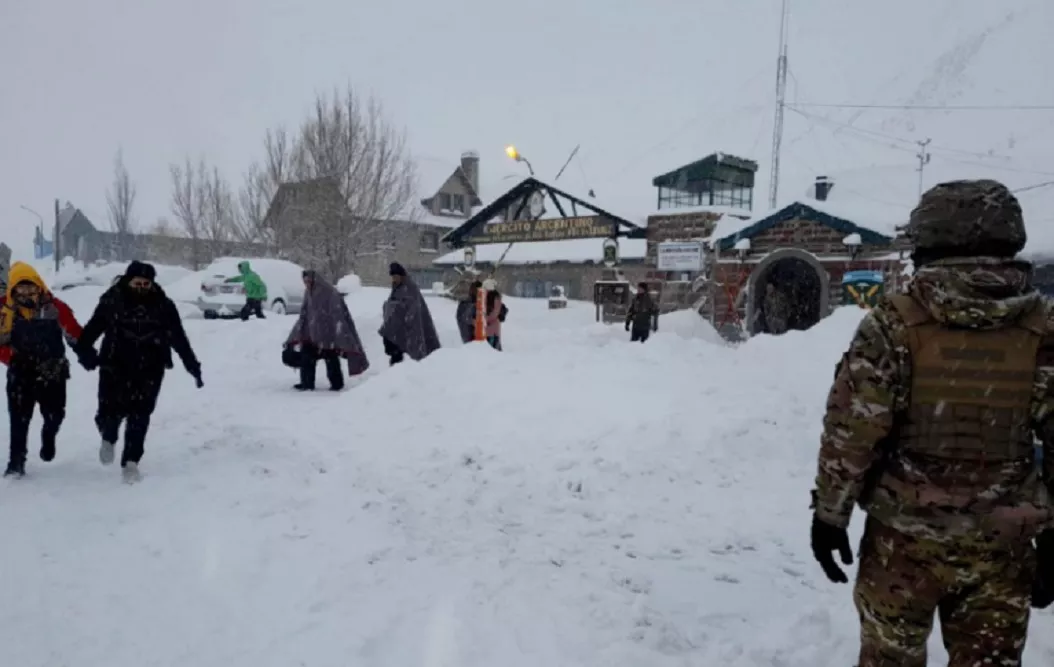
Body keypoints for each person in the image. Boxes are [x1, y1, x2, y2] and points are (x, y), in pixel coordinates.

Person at [809, 179, 1054, 667]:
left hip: (903, 546)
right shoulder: (1043, 330)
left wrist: (830, 515)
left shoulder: (893, 324)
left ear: (927, 240)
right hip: (1001, 549)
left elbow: (854, 432)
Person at [76, 261, 203, 483]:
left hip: (150, 367)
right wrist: (85, 352)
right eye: (137, 283)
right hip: (114, 364)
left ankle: (131, 462)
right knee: (109, 411)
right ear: (128, 280)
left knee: (140, 414)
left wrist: (192, 365)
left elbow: (178, 338)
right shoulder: (112, 300)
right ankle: (109, 435)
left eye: (146, 283)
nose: (142, 287)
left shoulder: (163, 305)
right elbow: (93, 328)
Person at [0, 262, 86, 478]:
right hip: (20, 372)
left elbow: (74, 333)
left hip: (53, 371)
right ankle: (16, 463)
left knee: (55, 415)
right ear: (13, 289)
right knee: (18, 419)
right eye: (21, 287)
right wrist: (13, 358)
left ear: (39, 286)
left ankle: (49, 435)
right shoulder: (4, 310)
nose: (27, 292)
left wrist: (87, 354)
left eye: (31, 287)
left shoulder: (55, 307)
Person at [286, 270, 369, 391]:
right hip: (312, 333)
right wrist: (297, 333)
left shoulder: (329, 292)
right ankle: (307, 383)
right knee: (307, 358)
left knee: (331, 358)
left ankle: (337, 384)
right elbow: (304, 314)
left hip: (328, 333)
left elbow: (337, 314)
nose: (307, 284)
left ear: (315, 280)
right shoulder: (308, 293)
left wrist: (337, 332)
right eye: (305, 282)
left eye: (308, 281)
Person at [379, 263, 440, 366]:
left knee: (405, 355)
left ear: (401, 276)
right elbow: (393, 304)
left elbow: (412, 309)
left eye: (395, 277)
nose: (394, 279)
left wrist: (399, 311)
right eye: (392, 277)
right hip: (397, 329)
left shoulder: (410, 288)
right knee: (396, 355)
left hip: (407, 328)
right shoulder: (397, 288)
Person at [482, 278, 507, 351]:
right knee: (493, 348)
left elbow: (495, 312)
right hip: (489, 327)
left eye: (484, 287)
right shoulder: (487, 295)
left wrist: (485, 319)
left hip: (492, 328)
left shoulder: (495, 297)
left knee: (492, 349)